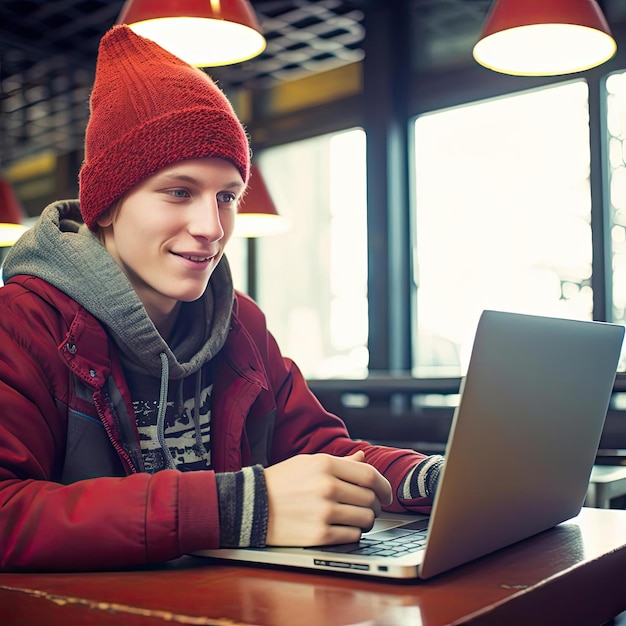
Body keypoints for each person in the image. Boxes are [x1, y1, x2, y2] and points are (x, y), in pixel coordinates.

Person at [0, 25, 444, 572]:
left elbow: (316, 451)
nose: (212, 226)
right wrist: (244, 508)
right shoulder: (21, 324)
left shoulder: (238, 322)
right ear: (109, 205)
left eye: (227, 196)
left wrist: (434, 479)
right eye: (179, 192)